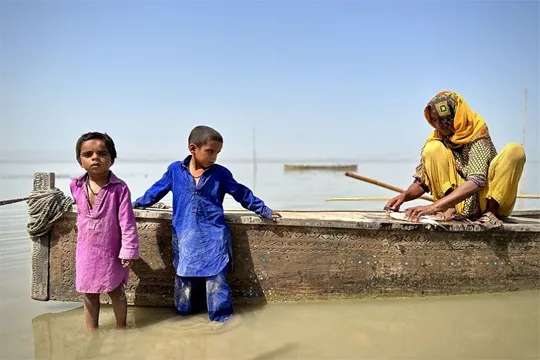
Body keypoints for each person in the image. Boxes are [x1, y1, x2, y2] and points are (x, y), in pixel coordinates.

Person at [132, 125, 280, 322]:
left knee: (216, 282)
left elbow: (242, 194)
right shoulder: (175, 171)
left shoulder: (221, 174)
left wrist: (265, 210)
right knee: (183, 282)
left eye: (217, 153)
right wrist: (133, 205)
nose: (214, 157)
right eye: (210, 151)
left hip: (214, 237)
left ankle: (221, 323)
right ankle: (182, 321)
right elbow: (155, 191)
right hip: (184, 237)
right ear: (193, 149)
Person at [385, 91, 526, 228]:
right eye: (434, 120)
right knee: (432, 148)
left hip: (486, 199)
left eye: (444, 119)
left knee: (515, 150)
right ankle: (450, 208)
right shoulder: (437, 138)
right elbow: (423, 181)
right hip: (457, 206)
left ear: (456, 116)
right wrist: (404, 196)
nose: (439, 125)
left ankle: (491, 212)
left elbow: (477, 180)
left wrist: (433, 207)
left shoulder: (477, 132)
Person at [70, 132, 139, 330]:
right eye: (88, 154)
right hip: (86, 249)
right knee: (89, 293)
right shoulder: (75, 185)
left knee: (116, 290)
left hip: (111, 250)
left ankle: (121, 328)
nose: (95, 158)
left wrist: (129, 250)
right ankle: (92, 332)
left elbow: (127, 222)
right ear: (80, 160)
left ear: (112, 159)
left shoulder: (120, 188)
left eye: (102, 153)